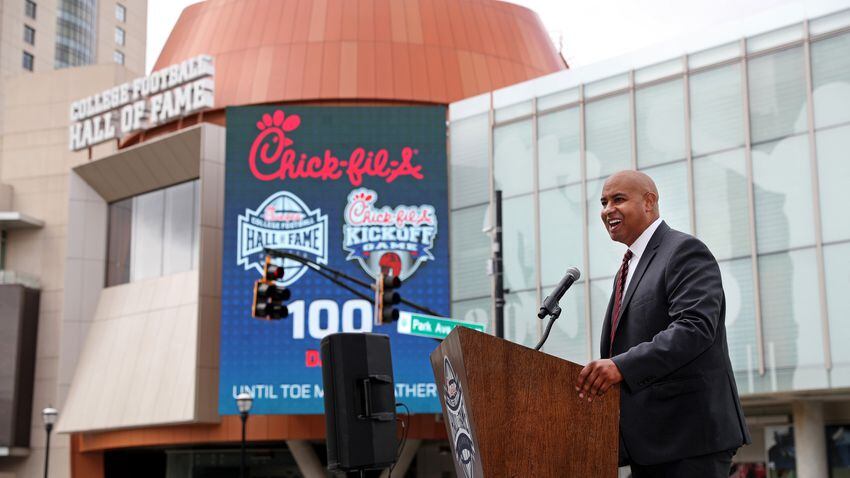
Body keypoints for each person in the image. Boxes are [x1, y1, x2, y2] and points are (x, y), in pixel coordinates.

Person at [574, 170, 750, 477]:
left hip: (689, 439)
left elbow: (695, 328)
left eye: (618, 199)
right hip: (649, 444)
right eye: (603, 202)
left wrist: (621, 366)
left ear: (649, 202)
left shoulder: (683, 251)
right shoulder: (625, 270)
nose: (606, 210)